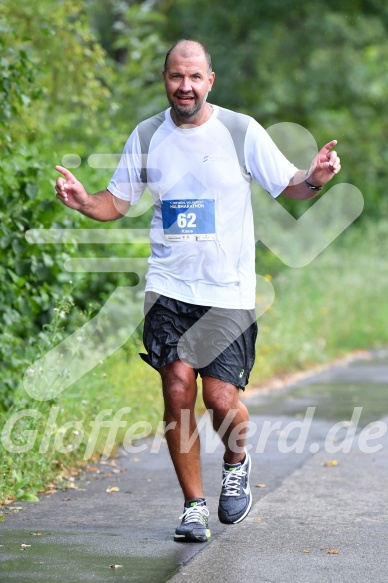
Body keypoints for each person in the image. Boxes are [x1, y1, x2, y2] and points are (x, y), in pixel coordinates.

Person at [55, 39, 341, 543]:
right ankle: (193, 507)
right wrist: (83, 201)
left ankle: (236, 459)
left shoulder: (239, 130)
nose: (184, 87)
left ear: (210, 80)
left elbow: (289, 185)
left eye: (194, 77)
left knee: (221, 397)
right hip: (169, 286)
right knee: (178, 389)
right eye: (175, 77)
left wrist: (314, 178)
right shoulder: (147, 135)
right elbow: (115, 202)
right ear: (165, 79)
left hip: (228, 291)